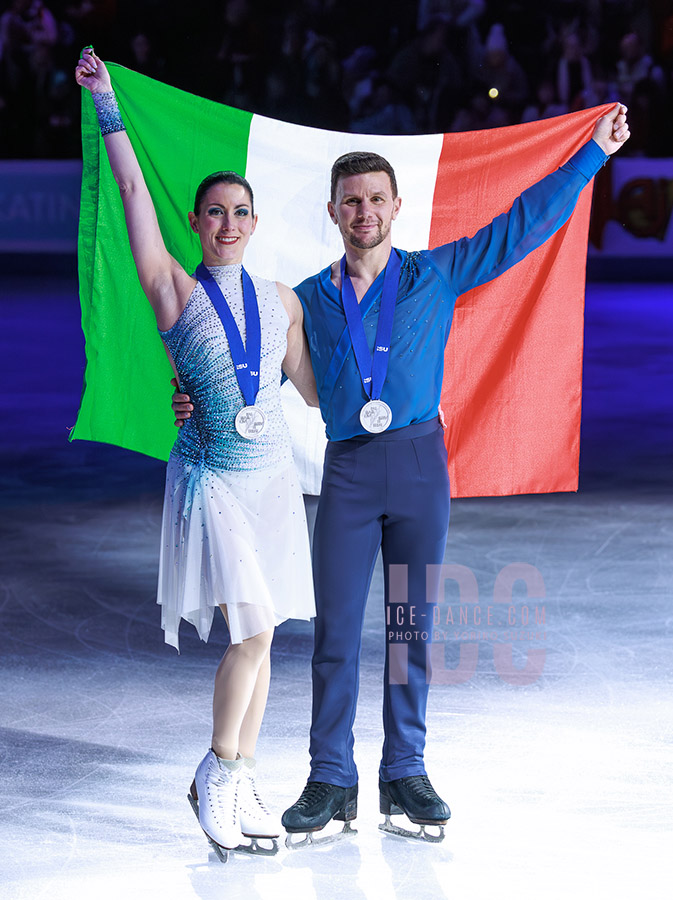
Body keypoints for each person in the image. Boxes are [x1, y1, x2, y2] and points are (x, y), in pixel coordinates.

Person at [173, 102, 630, 843]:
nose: (365, 211)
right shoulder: (306, 299)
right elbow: (248, 366)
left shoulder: (433, 274)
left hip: (420, 467)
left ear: (395, 207)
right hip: (350, 471)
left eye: (376, 199)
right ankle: (330, 777)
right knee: (334, 633)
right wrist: (195, 392)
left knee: (409, 627)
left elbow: (520, 226)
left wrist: (592, 155)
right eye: (351, 201)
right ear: (332, 212)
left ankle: (405, 771)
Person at [75, 48, 318, 860]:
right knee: (249, 631)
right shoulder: (173, 290)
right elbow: (132, 193)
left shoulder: (282, 300)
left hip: (272, 480)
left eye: (239, 211)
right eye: (214, 212)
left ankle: (242, 774)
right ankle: (214, 772)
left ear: (254, 222)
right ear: (196, 222)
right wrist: (108, 106)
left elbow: (314, 391)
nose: (228, 223)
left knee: (267, 634)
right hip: (212, 478)